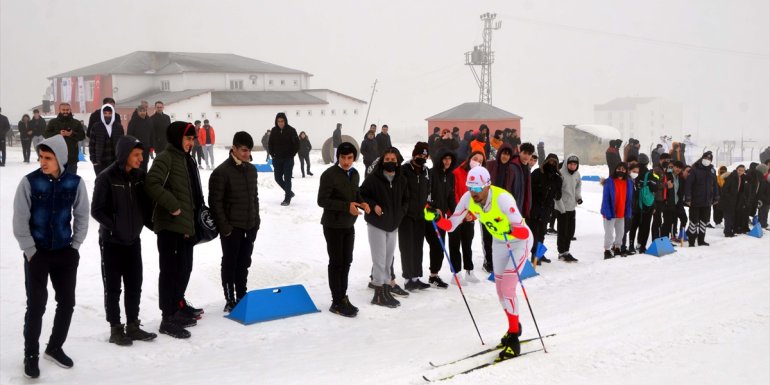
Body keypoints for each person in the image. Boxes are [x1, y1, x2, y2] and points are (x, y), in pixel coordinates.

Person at [12, 135, 89, 378]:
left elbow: (83, 215)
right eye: (40, 157)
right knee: (36, 305)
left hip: (65, 253)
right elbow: (20, 221)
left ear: (60, 158)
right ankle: (31, 354)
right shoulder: (29, 182)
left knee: (67, 303)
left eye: (48, 157)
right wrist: (30, 251)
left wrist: (75, 246)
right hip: (38, 254)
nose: (42, 162)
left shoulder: (75, 183)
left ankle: (54, 347)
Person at [439, 166, 533, 361]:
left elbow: (523, 232)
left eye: (477, 188)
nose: (473, 193)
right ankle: (514, 326)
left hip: (518, 243)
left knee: (507, 289)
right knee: (500, 291)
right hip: (499, 242)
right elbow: (451, 225)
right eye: (470, 188)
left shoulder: (503, 199)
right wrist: (437, 218)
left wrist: (508, 228)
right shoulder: (467, 199)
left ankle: (514, 339)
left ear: (488, 185)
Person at [91, 136, 157, 346]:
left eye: (142, 155)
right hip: (112, 242)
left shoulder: (139, 177)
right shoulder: (106, 177)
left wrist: (157, 227)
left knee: (134, 284)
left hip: (133, 240)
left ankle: (133, 325)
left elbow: (145, 209)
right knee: (113, 287)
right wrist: (116, 226)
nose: (141, 158)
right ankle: (116, 329)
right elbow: (97, 210)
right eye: (136, 155)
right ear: (124, 154)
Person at [145, 121, 205, 339]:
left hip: (185, 226)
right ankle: (167, 317)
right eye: (188, 138)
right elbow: (151, 183)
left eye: (192, 139)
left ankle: (178, 306)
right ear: (177, 138)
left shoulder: (185, 159)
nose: (191, 143)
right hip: (170, 227)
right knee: (170, 272)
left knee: (184, 268)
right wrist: (174, 206)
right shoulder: (166, 158)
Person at [209, 132, 260, 312]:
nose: (247, 154)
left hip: (249, 225)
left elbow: (254, 198)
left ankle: (242, 294)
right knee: (230, 263)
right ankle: (230, 299)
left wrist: (256, 222)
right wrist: (226, 228)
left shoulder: (251, 170)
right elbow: (215, 203)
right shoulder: (221, 172)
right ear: (234, 149)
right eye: (244, 150)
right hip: (232, 227)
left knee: (244, 262)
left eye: (249, 150)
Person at [318, 142, 371, 316]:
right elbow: (322, 201)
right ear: (338, 157)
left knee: (347, 261)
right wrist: (346, 206)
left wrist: (362, 202)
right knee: (336, 263)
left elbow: (355, 194)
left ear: (354, 158)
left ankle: (343, 297)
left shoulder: (354, 174)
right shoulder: (329, 175)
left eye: (349, 158)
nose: (346, 161)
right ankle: (336, 301)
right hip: (333, 225)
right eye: (342, 158)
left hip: (349, 224)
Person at [361, 147, 409, 307]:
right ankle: (378, 293)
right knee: (379, 259)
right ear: (382, 161)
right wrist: (373, 206)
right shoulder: (374, 178)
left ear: (397, 161)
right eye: (387, 160)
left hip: (393, 225)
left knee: (388, 259)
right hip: (377, 224)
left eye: (393, 160)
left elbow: (405, 200)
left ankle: (386, 290)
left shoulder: (401, 179)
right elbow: (361, 194)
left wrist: (401, 213)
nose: (390, 162)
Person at [448, 151, 486, 283]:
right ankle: (456, 274)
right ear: (469, 158)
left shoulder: (480, 178)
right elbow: (454, 195)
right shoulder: (457, 173)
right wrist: (460, 213)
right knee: (454, 245)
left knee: (467, 244)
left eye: (480, 161)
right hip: (455, 215)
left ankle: (469, 271)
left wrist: (473, 215)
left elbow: (480, 198)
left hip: (470, 217)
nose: (477, 162)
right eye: (475, 159)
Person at [399, 142, 432, 291]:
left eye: (425, 155)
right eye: (420, 155)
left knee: (418, 246)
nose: (422, 158)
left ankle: (416, 277)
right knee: (407, 246)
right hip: (406, 216)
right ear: (414, 155)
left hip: (420, 215)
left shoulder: (426, 172)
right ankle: (408, 278)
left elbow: (429, 191)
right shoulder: (404, 170)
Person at [482, 143, 516, 272]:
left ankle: (497, 260)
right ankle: (488, 262)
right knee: (487, 236)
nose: (505, 156)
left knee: (499, 236)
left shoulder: (511, 171)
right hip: (486, 206)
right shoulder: (489, 165)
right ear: (499, 153)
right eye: (503, 153)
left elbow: (510, 190)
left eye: (508, 154)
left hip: (501, 208)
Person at [426, 149, 456, 288]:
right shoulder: (432, 174)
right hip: (429, 215)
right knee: (436, 245)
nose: (447, 161)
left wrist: (455, 213)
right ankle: (420, 275)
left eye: (449, 159)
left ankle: (434, 274)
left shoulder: (450, 176)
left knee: (440, 245)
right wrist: (433, 207)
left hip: (441, 217)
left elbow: (450, 196)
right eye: (445, 159)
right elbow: (427, 194)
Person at [529, 153, 561, 264]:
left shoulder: (557, 178)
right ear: (546, 162)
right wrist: (540, 190)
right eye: (550, 161)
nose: (551, 164)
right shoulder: (537, 173)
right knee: (534, 233)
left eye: (554, 162)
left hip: (547, 209)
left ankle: (539, 255)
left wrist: (557, 191)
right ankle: (534, 256)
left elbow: (558, 195)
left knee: (542, 232)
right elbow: (530, 188)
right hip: (534, 207)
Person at [684, 151, 719, 247]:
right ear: (702, 158)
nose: (707, 160)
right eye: (706, 158)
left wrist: (716, 196)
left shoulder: (712, 170)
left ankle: (701, 240)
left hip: (707, 201)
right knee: (693, 222)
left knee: (704, 221)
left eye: (709, 159)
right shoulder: (694, 169)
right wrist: (688, 198)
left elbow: (715, 184)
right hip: (695, 201)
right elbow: (688, 185)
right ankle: (691, 241)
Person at [601, 162, 633, 259]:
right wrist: (607, 211)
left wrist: (628, 210)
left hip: (621, 211)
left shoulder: (628, 182)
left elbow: (629, 198)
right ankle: (607, 250)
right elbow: (605, 198)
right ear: (615, 170)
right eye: (619, 169)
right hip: (610, 212)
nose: (621, 171)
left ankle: (617, 247)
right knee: (609, 232)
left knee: (621, 232)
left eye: (623, 169)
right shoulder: (609, 182)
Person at [44, 103, 86, 175]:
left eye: (67, 110)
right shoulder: (53, 122)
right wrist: (58, 133)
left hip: (72, 158)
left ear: (70, 110)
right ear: (59, 110)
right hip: (56, 158)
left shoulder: (76, 122)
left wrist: (71, 134)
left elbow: (82, 136)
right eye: (63, 110)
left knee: (70, 182)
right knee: (56, 182)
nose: (65, 111)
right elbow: (46, 135)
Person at [554, 154, 582, 262]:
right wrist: (561, 208)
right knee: (563, 231)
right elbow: (557, 192)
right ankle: (561, 252)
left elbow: (578, 187)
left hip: (572, 207)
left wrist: (578, 198)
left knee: (570, 231)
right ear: (567, 164)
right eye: (570, 164)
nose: (572, 166)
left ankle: (567, 251)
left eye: (575, 164)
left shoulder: (577, 174)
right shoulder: (560, 174)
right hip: (562, 208)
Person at [268, 112, 299, 206]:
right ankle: (289, 192)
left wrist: (291, 155)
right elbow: (270, 144)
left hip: (288, 159)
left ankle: (287, 198)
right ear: (276, 122)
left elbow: (297, 144)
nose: (280, 123)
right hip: (277, 159)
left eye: (282, 121)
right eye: (278, 121)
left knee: (287, 178)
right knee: (277, 178)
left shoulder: (291, 130)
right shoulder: (274, 130)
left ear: (285, 121)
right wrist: (272, 155)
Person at [89, 104, 125, 176]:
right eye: (105, 113)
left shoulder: (118, 127)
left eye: (109, 113)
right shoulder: (96, 126)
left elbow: (122, 144)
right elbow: (92, 144)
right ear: (102, 114)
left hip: (115, 160)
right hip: (100, 161)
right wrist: (93, 160)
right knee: (101, 183)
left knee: (114, 183)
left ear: (113, 114)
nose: (107, 115)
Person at [634, 154, 659, 253]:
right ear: (647, 162)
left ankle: (635, 244)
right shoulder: (649, 174)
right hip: (647, 203)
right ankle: (642, 245)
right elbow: (654, 187)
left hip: (636, 202)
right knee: (645, 224)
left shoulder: (634, 172)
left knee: (636, 224)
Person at [720, 165, 749, 237]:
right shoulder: (732, 177)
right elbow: (724, 189)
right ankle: (727, 232)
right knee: (728, 217)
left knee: (731, 216)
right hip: (728, 201)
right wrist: (729, 197)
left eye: (742, 170)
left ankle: (728, 230)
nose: (741, 172)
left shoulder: (740, 177)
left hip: (734, 201)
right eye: (739, 170)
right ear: (736, 169)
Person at [127, 105, 155, 172]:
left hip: (146, 148)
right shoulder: (133, 121)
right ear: (137, 112)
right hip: (136, 148)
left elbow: (152, 135)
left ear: (146, 111)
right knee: (136, 165)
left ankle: (143, 179)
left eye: (144, 111)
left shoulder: (149, 121)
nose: (142, 112)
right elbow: (129, 136)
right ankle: (136, 180)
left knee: (145, 164)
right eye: (141, 111)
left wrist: (152, 148)